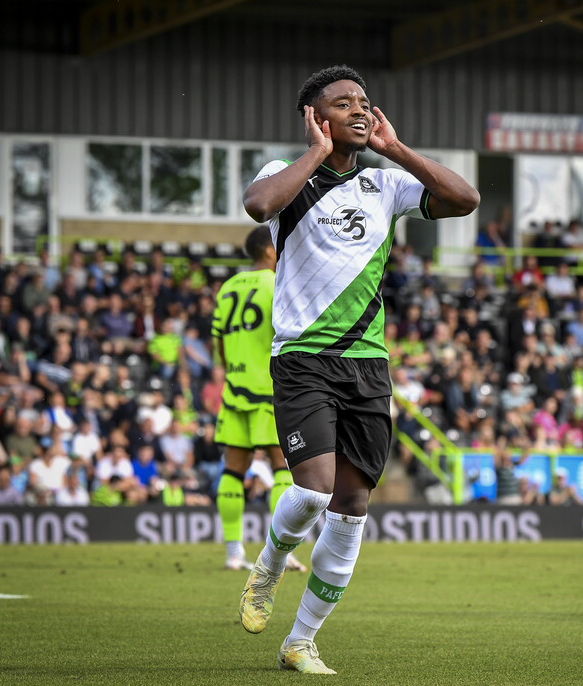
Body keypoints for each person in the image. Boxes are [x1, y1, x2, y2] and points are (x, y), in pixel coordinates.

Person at [238, 65, 478, 674]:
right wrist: (315, 152)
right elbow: (257, 206)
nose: (359, 109)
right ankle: (267, 564)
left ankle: (300, 641)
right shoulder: (282, 178)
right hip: (303, 357)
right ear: (317, 118)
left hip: (368, 364)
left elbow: (464, 199)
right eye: (342, 103)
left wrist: (395, 149)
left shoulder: (385, 183)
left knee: (350, 508)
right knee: (314, 489)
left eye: (364, 102)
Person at [212, 226, 303, 573]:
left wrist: (234, 369)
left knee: (233, 470)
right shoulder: (276, 283)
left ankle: (234, 552)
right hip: (268, 388)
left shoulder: (227, 287)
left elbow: (219, 341)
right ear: (268, 251)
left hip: (234, 389)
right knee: (282, 466)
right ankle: (279, 552)